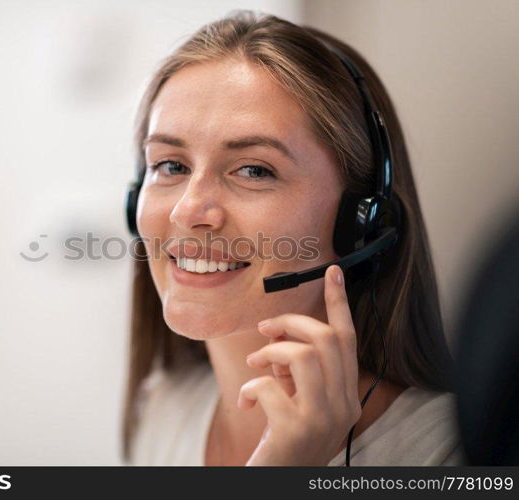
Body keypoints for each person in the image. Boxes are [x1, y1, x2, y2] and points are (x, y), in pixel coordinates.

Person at [120, 10, 463, 466]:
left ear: (361, 220)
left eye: (254, 170)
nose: (187, 211)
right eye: (170, 166)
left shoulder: (451, 451)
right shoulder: (164, 409)